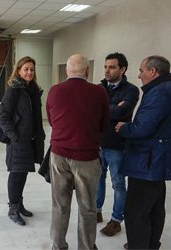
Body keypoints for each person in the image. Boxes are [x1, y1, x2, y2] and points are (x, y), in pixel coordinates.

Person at [46, 54, 109, 249]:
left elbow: (51, 119)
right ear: (88, 71)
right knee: (87, 208)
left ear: (67, 71)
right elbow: (104, 124)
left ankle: (58, 245)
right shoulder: (99, 92)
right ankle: (86, 247)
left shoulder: (54, 91)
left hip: (58, 155)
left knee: (60, 205)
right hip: (87, 157)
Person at [115, 55, 171, 249]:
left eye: (141, 70)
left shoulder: (159, 93)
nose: (139, 76)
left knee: (135, 211)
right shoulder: (165, 89)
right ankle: (151, 245)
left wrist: (124, 128)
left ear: (152, 71)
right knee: (155, 207)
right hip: (158, 159)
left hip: (146, 162)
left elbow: (143, 127)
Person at [0, 56, 45, 226]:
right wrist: (14, 136)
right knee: (16, 173)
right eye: (25, 69)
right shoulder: (13, 90)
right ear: (18, 71)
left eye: (32, 69)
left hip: (30, 140)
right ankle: (13, 208)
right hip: (18, 141)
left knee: (24, 172)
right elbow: (3, 117)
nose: (29, 72)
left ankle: (19, 203)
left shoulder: (33, 90)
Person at [96, 52, 139, 236]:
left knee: (118, 184)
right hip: (98, 142)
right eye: (105, 66)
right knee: (97, 181)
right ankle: (96, 212)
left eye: (112, 67)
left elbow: (121, 113)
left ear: (122, 69)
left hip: (117, 145)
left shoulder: (131, 90)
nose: (107, 70)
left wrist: (104, 109)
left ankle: (116, 220)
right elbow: (95, 112)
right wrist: (113, 108)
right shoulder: (99, 88)